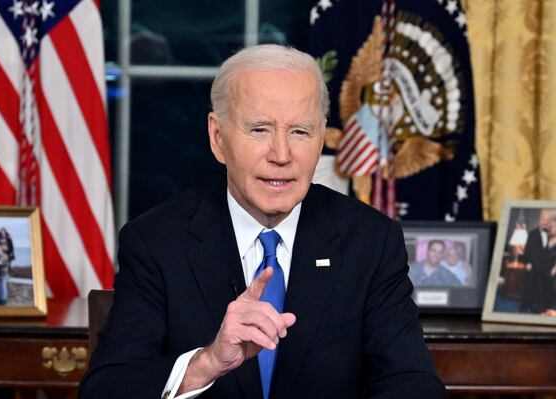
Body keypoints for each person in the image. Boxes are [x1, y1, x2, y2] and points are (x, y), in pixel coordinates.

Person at [80, 45, 445, 399]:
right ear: (218, 138)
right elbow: (106, 388)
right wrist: (207, 362)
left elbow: (413, 383)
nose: (282, 155)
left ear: (320, 140)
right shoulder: (157, 242)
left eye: (300, 131)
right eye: (259, 130)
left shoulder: (370, 241)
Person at [520, 209, 556, 313]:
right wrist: (527, 263)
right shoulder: (533, 234)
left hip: (547, 267)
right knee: (533, 278)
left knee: (546, 281)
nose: (545, 221)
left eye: (547, 219)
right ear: (539, 219)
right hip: (535, 265)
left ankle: (543, 307)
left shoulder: (552, 233)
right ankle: (526, 307)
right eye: (543, 219)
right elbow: (528, 252)